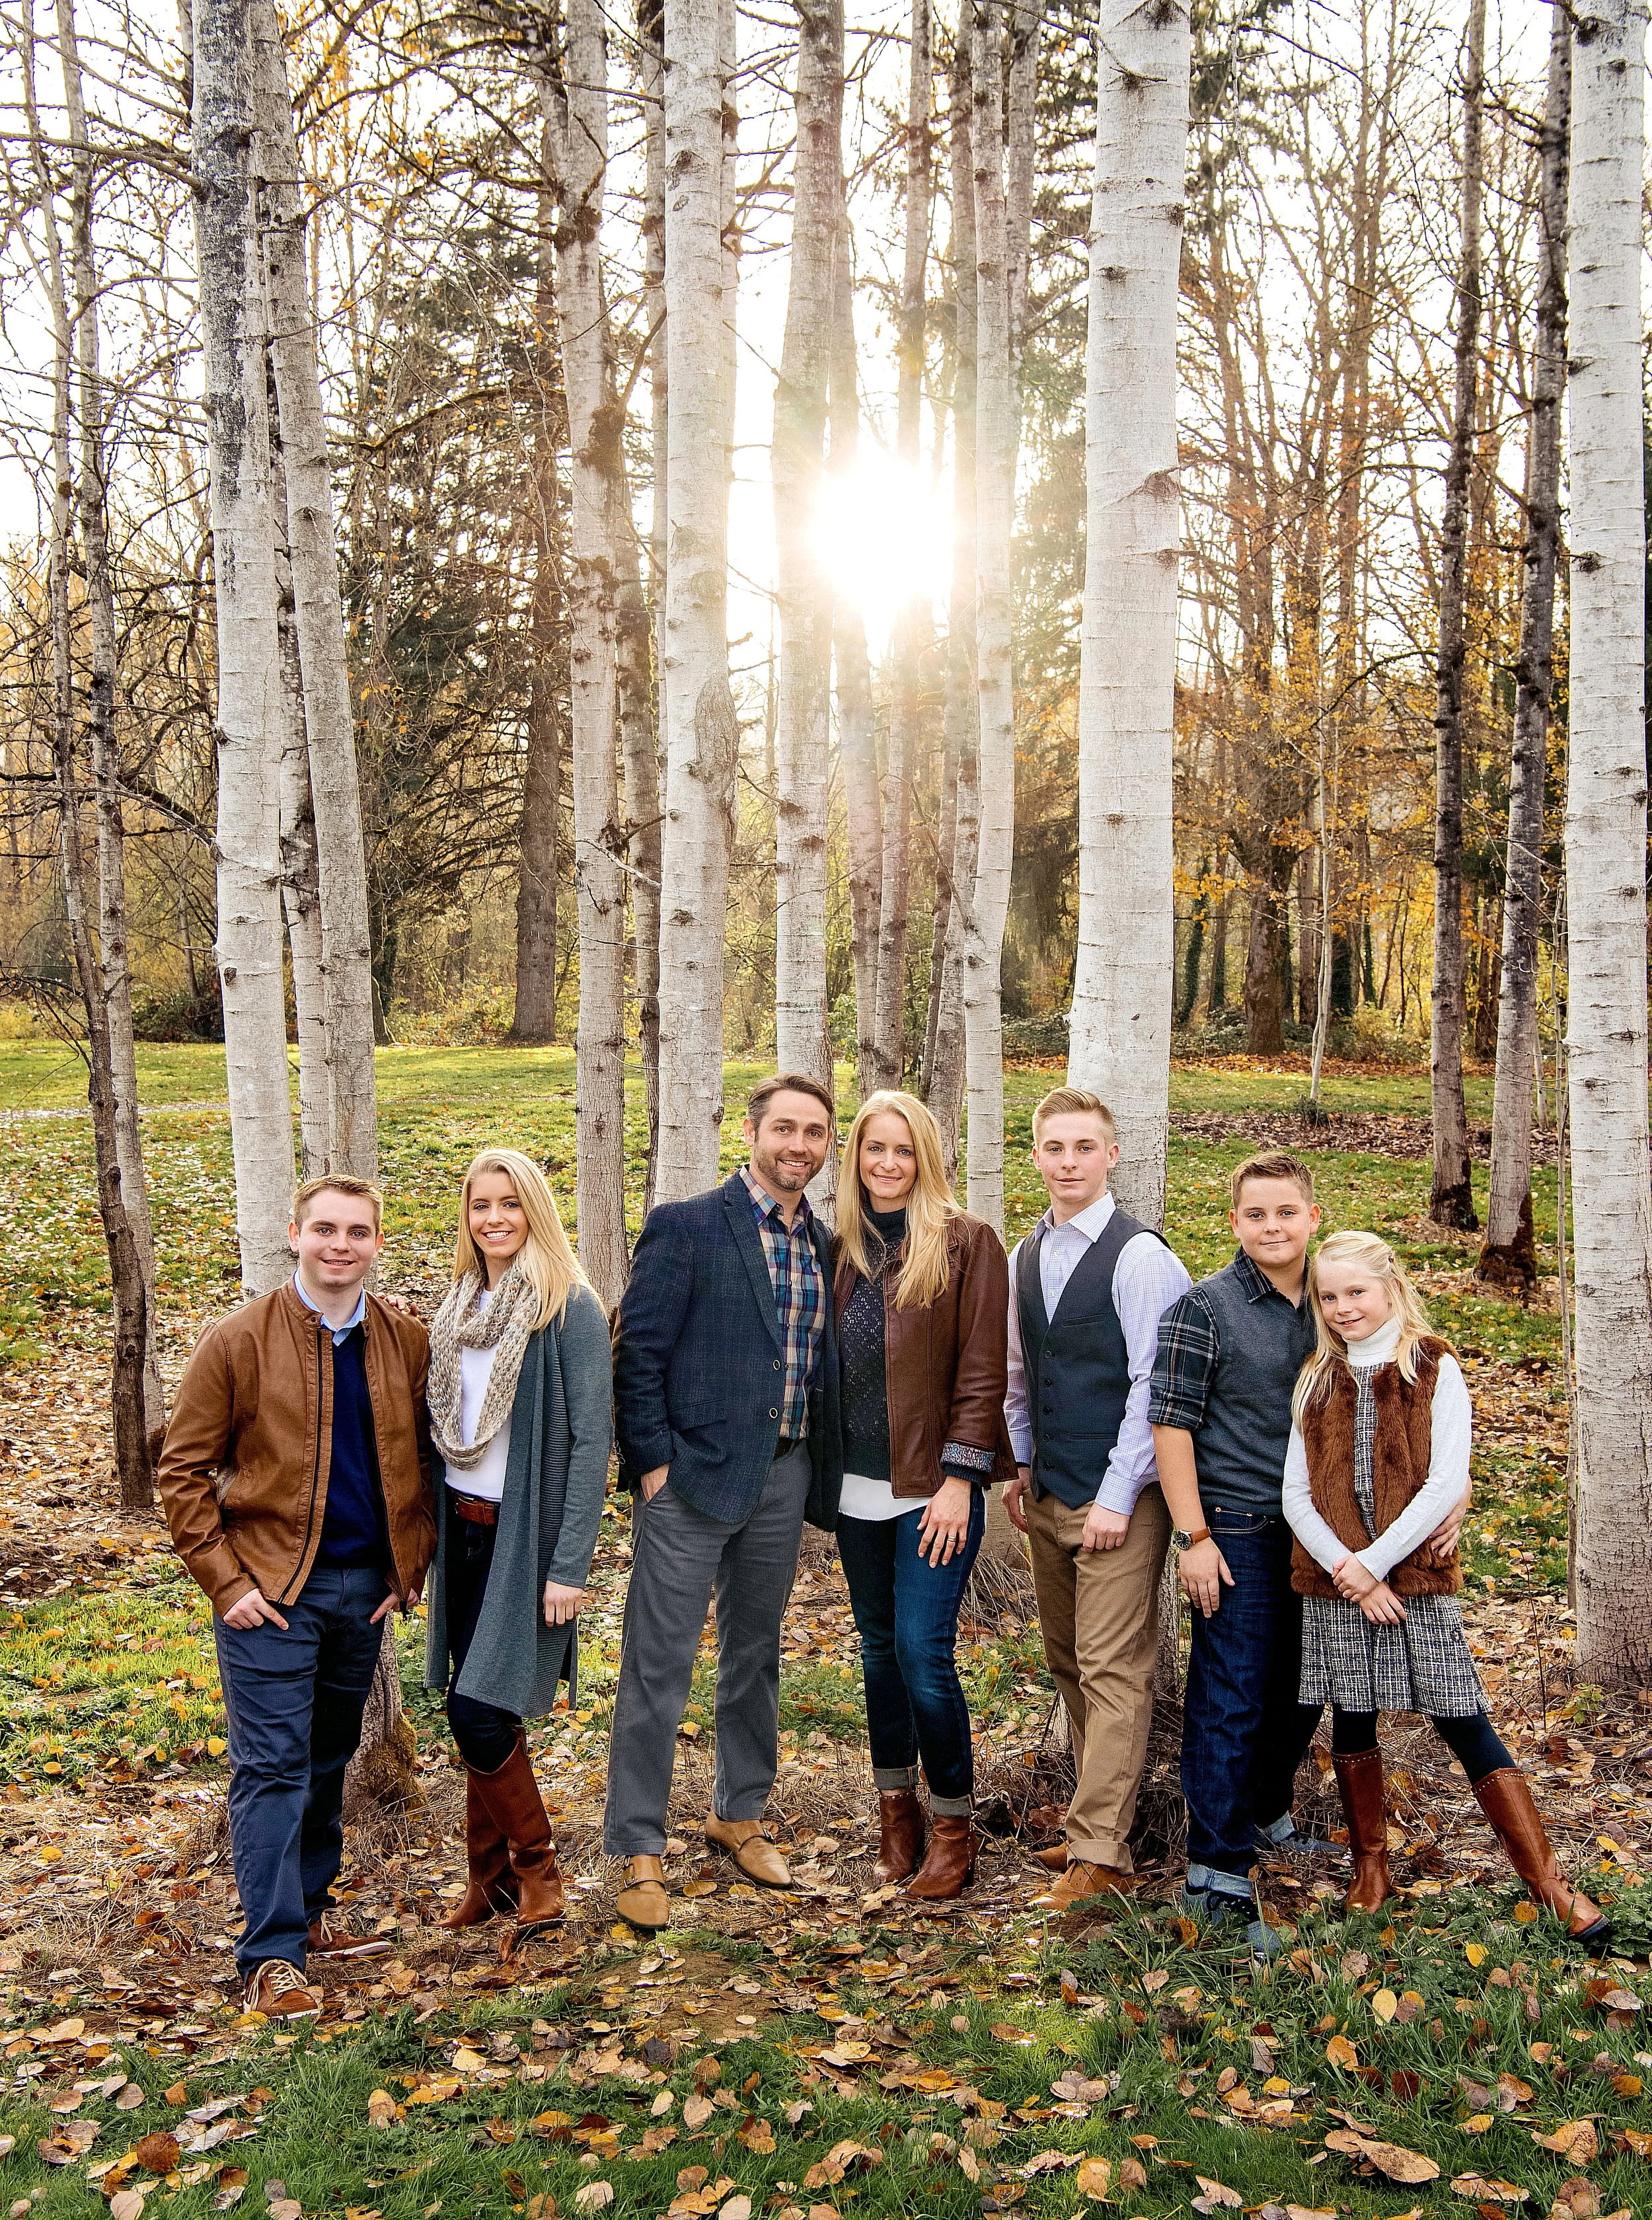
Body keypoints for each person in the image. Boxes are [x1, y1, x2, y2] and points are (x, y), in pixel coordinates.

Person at [159, 1176, 437, 2019]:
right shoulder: (239, 1340)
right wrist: (226, 1580)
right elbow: (181, 1471)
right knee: (272, 1766)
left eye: (357, 1231)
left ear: (378, 1243)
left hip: (363, 1592)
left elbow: (429, 1462)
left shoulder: (406, 1341)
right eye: (324, 1228)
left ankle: (310, 1918)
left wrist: (408, 1566)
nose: (339, 1244)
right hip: (269, 1593)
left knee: (324, 1759)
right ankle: (269, 1955)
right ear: (294, 1234)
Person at [1283, 1230, 1608, 1952]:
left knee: (1461, 1714)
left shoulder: (1432, 1367)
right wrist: (1349, 1570)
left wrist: (1376, 1563)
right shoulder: (1315, 1377)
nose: (1342, 1307)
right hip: (1336, 1585)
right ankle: (1371, 1868)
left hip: (1415, 1579)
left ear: (1391, 1288)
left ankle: (1547, 1880)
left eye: (1356, 1292)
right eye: (1328, 1295)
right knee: (1354, 1710)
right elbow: (1296, 1495)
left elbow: (1442, 1483)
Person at [606, 1073, 843, 1932]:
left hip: (783, 1475)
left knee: (756, 1653)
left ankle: (737, 1811)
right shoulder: (689, 1224)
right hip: (693, 1476)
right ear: (753, 1131)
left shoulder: (824, 1239)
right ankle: (637, 1842)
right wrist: (653, 1467)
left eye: (814, 1132)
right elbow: (638, 1352)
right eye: (785, 1127)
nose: (799, 1145)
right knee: (658, 1663)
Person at [1003, 1087, 1191, 1913]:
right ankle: (1091, 1823)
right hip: (1047, 1490)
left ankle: (1102, 1854)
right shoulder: (1025, 1251)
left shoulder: (1140, 1255)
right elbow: (1021, 1371)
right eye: (1054, 1147)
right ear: (1037, 1155)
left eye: (1084, 1146)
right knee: (1068, 1662)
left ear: (1111, 1155)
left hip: (1121, 1497)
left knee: (1115, 1668)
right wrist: (1019, 1464)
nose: (1068, 1161)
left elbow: (1158, 1385)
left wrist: (1117, 1495)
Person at [422, 1148, 613, 1939]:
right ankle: (489, 1878)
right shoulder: (458, 1306)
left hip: (522, 1541)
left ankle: (539, 1872)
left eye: (510, 1202)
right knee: (483, 1708)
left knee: (476, 1708)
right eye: (480, 1205)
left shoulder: (568, 1306)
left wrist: (569, 1564)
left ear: (535, 1208)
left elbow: (591, 1440)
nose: (494, 1218)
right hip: (461, 1531)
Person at [832, 1091, 1017, 1901]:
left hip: (931, 1491)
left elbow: (983, 1371)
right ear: (856, 1155)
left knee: (922, 1654)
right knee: (877, 1651)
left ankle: (952, 1823)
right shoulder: (836, 1242)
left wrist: (958, 1477)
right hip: (852, 1489)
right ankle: (894, 1811)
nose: (887, 1163)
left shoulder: (968, 1242)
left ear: (926, 1156)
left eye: (903, 1149)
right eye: (874, 1147)